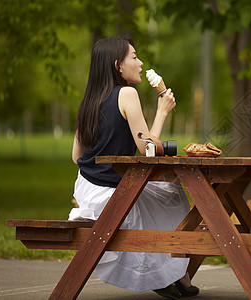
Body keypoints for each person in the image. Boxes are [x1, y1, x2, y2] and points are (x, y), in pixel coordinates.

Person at [69, 36, 199, 299]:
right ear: (118, 66)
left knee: (161, 194)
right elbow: (147, 150)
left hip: (88, 190)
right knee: (171, 195)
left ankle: (175, 275)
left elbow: (76, 156)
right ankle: (167, 275)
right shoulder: (127, 93)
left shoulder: (88, 101)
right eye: (134, 57)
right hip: (112, 192)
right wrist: (162, 112)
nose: (140, 63)